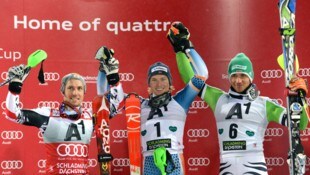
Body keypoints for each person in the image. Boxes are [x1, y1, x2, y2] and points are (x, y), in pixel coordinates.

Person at [167, 22, 309, 175]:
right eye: (234, 76)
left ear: (251, 77)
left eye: (243, 76)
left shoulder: (264, 104)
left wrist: (300, 98)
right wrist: (180, 50)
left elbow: (300, 125)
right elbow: (192, 80)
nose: (238, 80)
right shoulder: (218, 98)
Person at [95, 45, 208, 175]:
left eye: (163, 79)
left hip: (173, 159)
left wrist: (189, 47)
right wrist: (104, 69)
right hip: (148, 162)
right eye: (154, 80)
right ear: (149, 84)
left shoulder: (180, 101)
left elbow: (202, 75)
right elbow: (103, 97)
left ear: (170, 83)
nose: (159, 84)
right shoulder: (138, 104)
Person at [5, 56, 121, 174]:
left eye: (79, 88)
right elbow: (13, 114)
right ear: (62, 91)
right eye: (70, 88)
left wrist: (114, 79)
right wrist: (14, 89)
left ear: (84, 92)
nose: (75, 93)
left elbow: (118, 105)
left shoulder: (91, 116)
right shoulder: (48, 115)